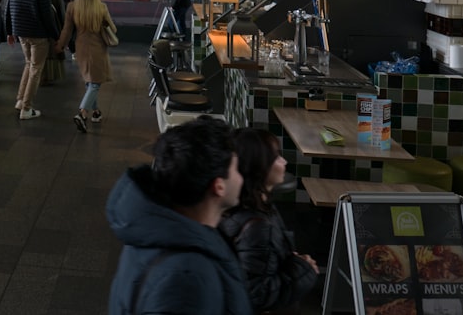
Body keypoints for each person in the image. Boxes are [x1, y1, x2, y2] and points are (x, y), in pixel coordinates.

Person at [107, 117, 252, 315]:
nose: (241, 176)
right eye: (236, 169)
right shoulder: (187, 276)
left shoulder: (154, 230)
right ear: (219, 186)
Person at [220, 129, 318, 314]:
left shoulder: (237, 208)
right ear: (258, 166)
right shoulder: (258, 226)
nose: (284, 162)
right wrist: (305, 269)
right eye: (276, 157)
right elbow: (257, 295)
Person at [56, 0, 115, 133]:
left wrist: (60, 45)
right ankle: (82, 113)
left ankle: (95, 112)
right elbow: (113, 29)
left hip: (81, 48)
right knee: (95, 83)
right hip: (97, 48)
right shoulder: (101, 8)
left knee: (90, 82)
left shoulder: (72, 7)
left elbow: (67, 30)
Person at [5, 0, 60, 120]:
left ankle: (20, 100)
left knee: (29, 65)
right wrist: (56, 36)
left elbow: (8, 9)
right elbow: (47, 16)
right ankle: (27, 108)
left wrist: (9, 31)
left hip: (21, 32)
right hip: (38, 34)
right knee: (36, 69)